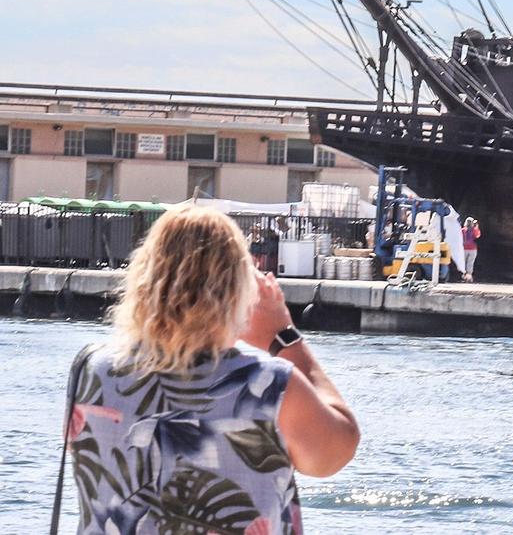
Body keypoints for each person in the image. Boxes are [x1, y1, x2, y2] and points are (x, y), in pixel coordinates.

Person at [61, 204, 360, 534]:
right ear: (236, 288)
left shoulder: (90, 370)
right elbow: (334, 452)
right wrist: (285, 338)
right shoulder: (268, 385)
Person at [459, 216, 480, 282]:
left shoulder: (462, 230)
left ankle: (464, 276)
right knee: (470, 263)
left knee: (463, 263)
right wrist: (476, 227)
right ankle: (469, 277)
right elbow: (477, 236)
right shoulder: (474, 230)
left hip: (464, 248)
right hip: (473, 248)